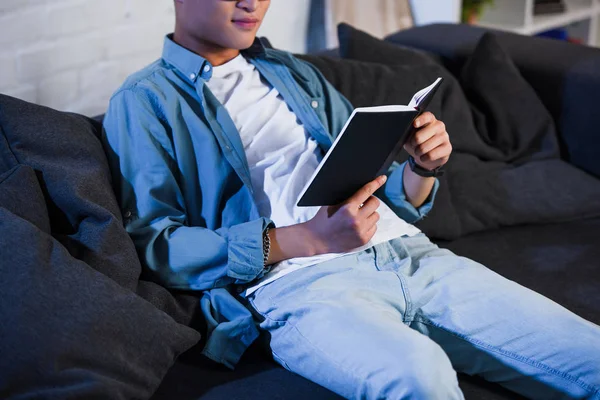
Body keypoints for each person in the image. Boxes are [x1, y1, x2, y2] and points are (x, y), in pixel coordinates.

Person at [102, 1, 600, 398]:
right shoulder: (146, 100)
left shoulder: (294, 74)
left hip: (409, 254)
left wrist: (423, 169)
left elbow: (376, 187)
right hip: (300, 287)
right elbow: (157, 246)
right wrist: (305, 239)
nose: (253, 3)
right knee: (418, 379)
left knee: (589, 354)